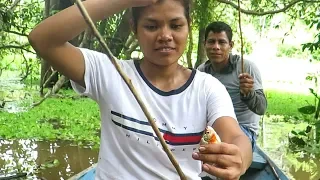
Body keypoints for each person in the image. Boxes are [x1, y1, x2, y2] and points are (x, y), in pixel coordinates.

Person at [28, 1, 252, 179]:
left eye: (175, 25)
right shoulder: (111, 72)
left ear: (188, 26)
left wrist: (240, 158)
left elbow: (235, 136)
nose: (165, 35)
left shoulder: (208, 88)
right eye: (151, 26)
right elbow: (43, 39)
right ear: (134, 28)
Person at [197, 21, 267, 151]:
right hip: (212, 128)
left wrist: (249, 93)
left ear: (231, 45)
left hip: (242, 130)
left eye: (222, 42)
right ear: (204, 44)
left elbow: (261, 108)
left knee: (220, 147)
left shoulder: (246, 67)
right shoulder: (202, 71)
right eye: (211, 42)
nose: (216, 47)